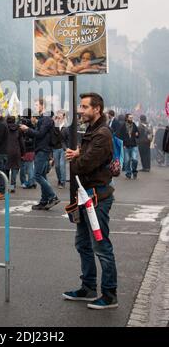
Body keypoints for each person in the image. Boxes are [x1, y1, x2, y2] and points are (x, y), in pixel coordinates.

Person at [63, 92, 118, 309]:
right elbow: (84, 159)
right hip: (86, 196)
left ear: (97, 109)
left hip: (97, 198)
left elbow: (84, 165)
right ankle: (88, 287)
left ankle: (110, 294)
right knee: (83, 244)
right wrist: (78, 155)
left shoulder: (102, 134)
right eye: (80, 106)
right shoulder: (92, 130)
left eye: (85, 107)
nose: (80, 110)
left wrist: (75, 158)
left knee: (101, 246)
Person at [20, 98, 60, 210]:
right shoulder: (43, 119)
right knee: (42, 175)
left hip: (43, 149)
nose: (35, 107)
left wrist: (27, 129)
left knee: (37, 175)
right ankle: (44, 200)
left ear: (43, 106)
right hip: (41, 149)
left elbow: (40, 134)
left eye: (37, 105)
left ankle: (52, 196)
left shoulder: (46, 119)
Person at [5, 116, 25, 192]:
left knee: (6, 169)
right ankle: (12, 186)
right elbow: (21, 142)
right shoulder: (18, 129)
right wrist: (23, 153)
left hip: (6, 151)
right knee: (14, 169)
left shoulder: (5, 128)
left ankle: (6, 185)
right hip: (16, 151)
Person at [52, 110, 70, 189]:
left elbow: (69, 138)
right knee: (57, 166)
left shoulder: (66, 126)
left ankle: (62, 182)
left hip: (63, 148)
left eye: (60, 114)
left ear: (63, 116)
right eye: (57, 113)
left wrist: (67, 148)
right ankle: (59, 179)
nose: (58, 115)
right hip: (55, 148)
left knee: (62, 165)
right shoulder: (55, 125)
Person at [118, 113, 139, 179]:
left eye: (132, 117)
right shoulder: (123, 125)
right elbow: (120, 135)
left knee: (135, 159)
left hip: (133, 145)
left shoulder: (134, 125)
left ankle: (134, 171)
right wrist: (123, 144)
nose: (131, 119)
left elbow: (138, 134)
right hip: (126, 146)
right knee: (127, 161)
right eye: (130, 117)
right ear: (127, 118)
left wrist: (137, 134)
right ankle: (128, 173)